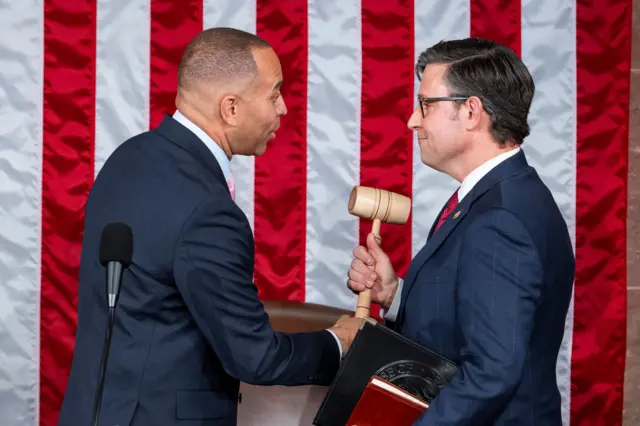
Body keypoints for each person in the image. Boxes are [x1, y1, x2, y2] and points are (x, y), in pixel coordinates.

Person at [58, 27, 363, 426]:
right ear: (230, 108)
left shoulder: (127, 159)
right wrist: (338, 343)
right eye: (274, 93)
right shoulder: (207, 210)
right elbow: (254, 357)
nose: (283, 109)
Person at [347, 38, 575, 425]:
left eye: (425, 105)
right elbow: (467, 318)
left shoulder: (502, 218)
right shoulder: (494, 195)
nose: (412, 120)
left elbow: (492, 373)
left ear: (471, 111)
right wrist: (395, 295)